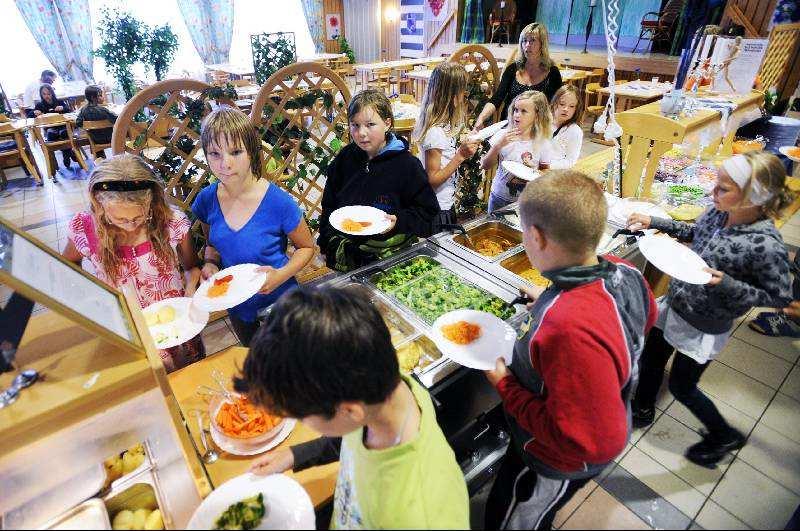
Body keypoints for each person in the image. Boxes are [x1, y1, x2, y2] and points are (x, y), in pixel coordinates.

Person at [484, 170, 657, 530]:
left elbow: (587, 440)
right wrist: (551, 296)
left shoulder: (567, 330)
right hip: (595, 415)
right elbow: (643, 319)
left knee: (514, 516)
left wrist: (506, 386)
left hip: (556, 458)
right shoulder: (625, 271)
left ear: (535, 237)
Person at [233, 286, 470, 529]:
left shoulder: (421, 514)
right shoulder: (378, 382)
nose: (302, 424)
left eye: (301, 416)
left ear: (349, 410)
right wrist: (294, 455)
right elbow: (351, 437)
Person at [629, 151, 794, 467]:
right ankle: (642, 407)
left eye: (723, 188)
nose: (712, 192)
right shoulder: (717, 212)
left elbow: (778, 296)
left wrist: (728, 285)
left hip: (705, 324)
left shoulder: (765, 244)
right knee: (651, 358)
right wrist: (656, 222)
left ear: (753, 197)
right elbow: (695, 232)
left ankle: (723, 434)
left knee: (682, 385)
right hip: (677, 303)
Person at [62, 154, 205, 372]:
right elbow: (67, 266)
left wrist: (190, 290)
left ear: (151, 202)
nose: (130, 225)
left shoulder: (170, 222)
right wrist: (93, 294)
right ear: (99, 204)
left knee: (188, 378)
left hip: (175, 325)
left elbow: (191, 267)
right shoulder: (86, 228)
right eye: (119, 219)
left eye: (139, 217)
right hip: (128, 328)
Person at [192, 106, 315, 347]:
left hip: (281, 302)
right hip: (238, 306)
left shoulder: (278, 201)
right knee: (253, 358)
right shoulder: (207, 200)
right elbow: (213, 245)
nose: (225, 164)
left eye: (235, 151)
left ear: (251, 151)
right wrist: (210, 263)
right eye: (215, 154)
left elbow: (307, 248)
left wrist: (280, 276)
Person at [318, 89, 439, 272]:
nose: (361, 133)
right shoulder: (345, 159)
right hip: (348, 256)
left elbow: (428, 213)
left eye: (370, 124)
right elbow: (329, 205)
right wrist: (326, 243)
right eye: (355, 125)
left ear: (387, 123)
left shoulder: (407, 166)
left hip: (392, 258)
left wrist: (398, 221)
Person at [413, 62, 481, 229]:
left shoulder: (442, 126)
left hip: (444, 203)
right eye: (462, 90)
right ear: (451, 95)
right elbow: (432, 180)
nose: (465, 94)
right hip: (437, 209)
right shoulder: (435, 132)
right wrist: (460, 156)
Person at [475, 22, 562, 128]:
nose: (527, 45)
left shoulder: (552, 73)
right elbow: (497, 99)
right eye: (524, 40)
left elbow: (555, 106)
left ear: (542, 44)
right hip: (509, 125)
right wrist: (481, 118)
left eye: (532, 40)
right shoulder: (512, 69)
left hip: (537, 129)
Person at [481, 90, 553, 212]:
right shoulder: (503, 135)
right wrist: (498, 146)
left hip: (526, 201)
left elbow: (545, 171)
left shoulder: (543, 142)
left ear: (537, 115)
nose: (517, 115)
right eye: (516, 110)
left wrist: (534, 170)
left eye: (524, 111)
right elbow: (485, 165)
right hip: (498, 196)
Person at [34, 83, 75, 174]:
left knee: (65, 133)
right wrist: (35, 112)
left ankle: (66, 154)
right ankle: (68, 153)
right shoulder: (40, 105)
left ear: (52, 93)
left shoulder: (59, 102)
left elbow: (69, 110)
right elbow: (31, 116)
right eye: (44, 94)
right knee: (51, 135)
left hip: (63, 125)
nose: (46, 96)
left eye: (48, 94)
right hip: (50, 128)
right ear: (41, 95)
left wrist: (63, 108)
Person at [549, 84, 584, 170]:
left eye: (571, 106)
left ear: (576, 109)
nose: (566, 109)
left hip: (553, 172)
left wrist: (547, 166)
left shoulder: (575, 131)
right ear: (554, 103)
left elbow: (570, 161)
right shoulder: (543, 120)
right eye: (562, 104)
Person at [75, 85, 118, 155]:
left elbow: (78, 123)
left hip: (95, 140)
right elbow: (116, 120)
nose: (103, 97)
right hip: (111, 137)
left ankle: (100, 159)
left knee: (95, 133)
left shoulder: (83, 110)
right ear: (93, 97)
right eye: (100, 95)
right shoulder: (103, 110)